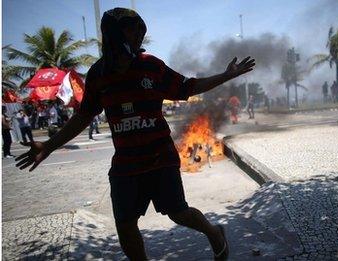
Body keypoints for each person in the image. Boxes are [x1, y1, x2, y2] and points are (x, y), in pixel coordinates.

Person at [15, 7, 255, 260]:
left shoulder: (150, 65)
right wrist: (49, 146)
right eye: (134, 30)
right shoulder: (98, 74)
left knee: (179, 213)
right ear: (114, 34)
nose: (140, 35)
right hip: (126, 166)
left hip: (160, 159)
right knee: (125, 224)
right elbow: (84, 116)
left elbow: (187, 87)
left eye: (142, 30)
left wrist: (227, 76)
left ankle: (214, 233)